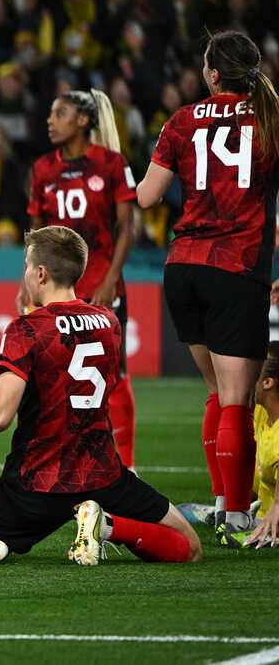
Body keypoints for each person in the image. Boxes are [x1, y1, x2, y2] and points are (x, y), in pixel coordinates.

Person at [0, 226, 202, 565]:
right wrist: (7, 359)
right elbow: (69, 369)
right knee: (190, 545)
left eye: (26, 265)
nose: (24, 274)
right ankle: (108, 526)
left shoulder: (26, 329)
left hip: (39, 481)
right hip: (102, 475)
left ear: (40, 273)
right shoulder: (109, 322)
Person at [137, 30, 279, 547]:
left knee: (217, 394)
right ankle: (240, 516)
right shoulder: (270, 119)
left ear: (212, 74)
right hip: (236, 269)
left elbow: (149, 198)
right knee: (239, 399)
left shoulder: (181, 120)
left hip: (183, 268)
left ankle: (222, 503)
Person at [27, 89, 138, 467]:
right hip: (55, 292)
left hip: (102, 288)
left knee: (114, 375)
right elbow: (35, 234)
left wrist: (111, 278)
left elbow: (128, 227)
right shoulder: (43, 168)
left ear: (84, 120)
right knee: (54, 379)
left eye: (60, 113)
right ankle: (66, 461)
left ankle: (128, 467)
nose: (50, 120)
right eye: (50, 113)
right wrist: (25, 284)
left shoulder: (110, 163)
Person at [243, 345, 279, 548]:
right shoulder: (261, 410)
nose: (246, 376)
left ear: (267, 382)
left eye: (253, 371)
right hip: (257, 511)